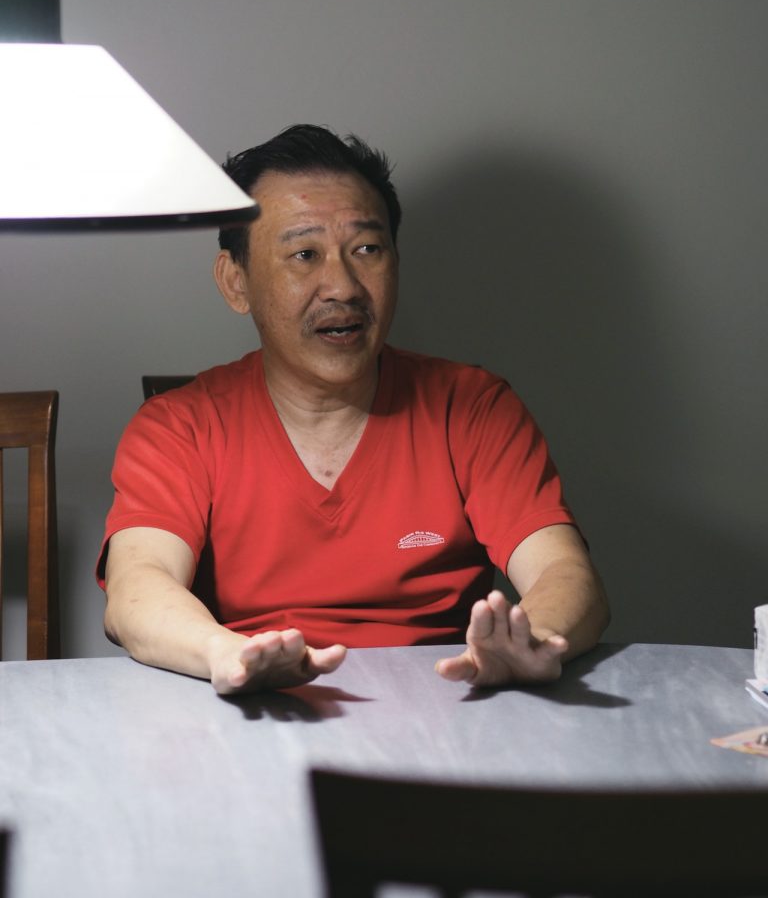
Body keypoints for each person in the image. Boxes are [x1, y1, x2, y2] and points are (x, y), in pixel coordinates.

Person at [98, 124, 609, 695]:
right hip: (252, 708)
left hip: (445, 706)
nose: (342, 286)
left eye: (367, 249)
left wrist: (529, 643)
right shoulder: (179, 427)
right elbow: (137, 589)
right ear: (236, 281)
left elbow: (565, 573)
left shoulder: (472, 408)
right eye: (304, 254)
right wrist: (227, 653)